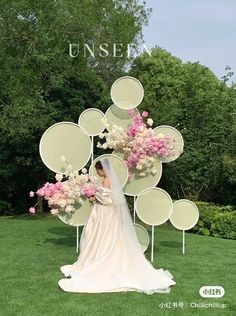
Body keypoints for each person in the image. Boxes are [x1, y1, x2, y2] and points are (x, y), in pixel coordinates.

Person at [58, 158, 176, 294]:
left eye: (98, 170)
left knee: (104, 235)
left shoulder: (107, 181)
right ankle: (97, 255)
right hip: (104, 212)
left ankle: (99, 258)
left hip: (105, 212)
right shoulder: (109, 181)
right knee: (105, 235)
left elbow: (109, 199)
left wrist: (94, 197)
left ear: (102, 170)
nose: (98, 173)